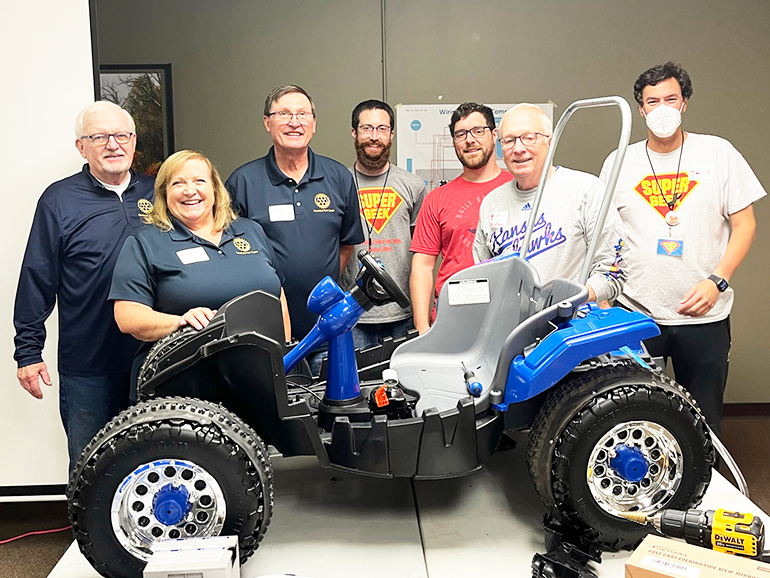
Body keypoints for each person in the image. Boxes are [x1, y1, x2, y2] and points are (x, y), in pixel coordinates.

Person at [600, 62, 766, 435]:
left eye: (670, 99)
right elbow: (603, 237)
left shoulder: (719, 153)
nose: (662, 108)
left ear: (685, 103)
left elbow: (745, 225)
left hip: (704, 314)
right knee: (635, 417)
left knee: (704, 421)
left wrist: (717, 282)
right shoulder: (618, 162)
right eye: (652, 101)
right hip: (636, 312)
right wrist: (606, 297)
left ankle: (708, 487)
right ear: (641, 109)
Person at [13, 101, 154, 472]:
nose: (113, 144)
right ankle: (88, 533)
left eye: (122, 135)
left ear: (134, 141)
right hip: (89, 363)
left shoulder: (160, 194)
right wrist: (28, 351)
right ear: (81, 146)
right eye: (100, 137)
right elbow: (37, 276)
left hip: (157, 356)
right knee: (92, 465)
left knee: (156, 457)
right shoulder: (58, 200)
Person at [109, 150, 291, 386]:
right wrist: (178, 322)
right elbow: (127, 317)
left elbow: (279, 298)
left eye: (199, 181)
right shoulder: (145, 242)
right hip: (185, 385)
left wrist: (285, 356)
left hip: (261, 380)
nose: (189, 190)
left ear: (215, 188)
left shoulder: (250, 231)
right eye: (178, 183)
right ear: (164, 193)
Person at [225, 85, 364, 372]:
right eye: (284, 113)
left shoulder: (338, 177)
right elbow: (228, 255)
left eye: (303, 114)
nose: (294, 122)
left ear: (313, 123)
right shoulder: (242, 182)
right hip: (263, 333)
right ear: (267, 122)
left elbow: (347, 244)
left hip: (326, 328)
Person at [473, 103, 626, 304]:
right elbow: (484, 276)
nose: (518, 149)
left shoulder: (586, 190)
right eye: (509, 140)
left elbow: (614, 270)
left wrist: (569, 298)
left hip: (571, 327)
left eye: (529, 138)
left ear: (550, 142)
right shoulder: (492, 203)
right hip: (513, 329)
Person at [409, 102, 513, 334]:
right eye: (461, 134)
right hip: (451, 320)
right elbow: (423, 267)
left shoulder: (519, 188)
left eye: (478, 131)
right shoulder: (436, 199)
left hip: (509, 318)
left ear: (494, 135)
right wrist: (423, 327)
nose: (469, 140)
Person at [340, 99, 427, 349]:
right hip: (352, 314)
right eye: (367, 128)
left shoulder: (413, 185)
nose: (374, 136)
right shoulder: (337, 183)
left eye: (381, 129)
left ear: (391, 135)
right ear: (354, 133)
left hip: (402, 312)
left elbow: (421, 252)